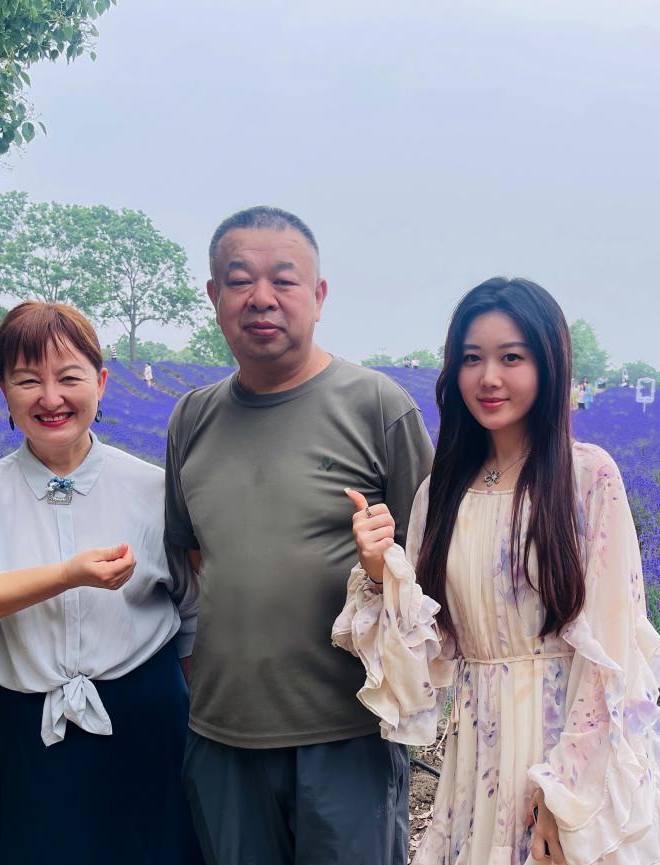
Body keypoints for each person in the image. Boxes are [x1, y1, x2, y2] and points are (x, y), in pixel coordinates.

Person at [334, 277, 660, 864]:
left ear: (548, 365)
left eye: (511, 357)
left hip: (559, 755)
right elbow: (425, 660)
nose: (488, 377)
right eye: (472, 359)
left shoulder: (587, 478)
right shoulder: (441, 490)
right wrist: (378, 571)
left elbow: (611, 652)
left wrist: (563, 794)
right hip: (475, 762)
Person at [166, 206, 433, 865]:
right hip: (223, 736)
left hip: (347, 735)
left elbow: (430, 564)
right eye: (240, 280)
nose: (261, 297)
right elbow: (197, 559)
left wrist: (383, 567)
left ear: (318, 295)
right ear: (214, 296)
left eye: (283, 280)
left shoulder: (377, 407)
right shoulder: (192, 418)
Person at [0, 302, 202, 865]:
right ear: (3, 389)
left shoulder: (153, 489)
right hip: (33, 729)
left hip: (149, 722)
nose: (51, 398)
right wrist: (66, 576)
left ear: (101, 382)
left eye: (69, 378)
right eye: (28, 381)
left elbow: (191, 613)